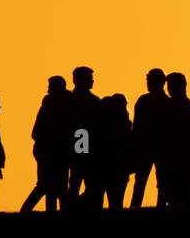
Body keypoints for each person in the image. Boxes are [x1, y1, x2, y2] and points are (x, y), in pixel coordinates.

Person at [21, 76, 72, 212]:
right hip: (54, 152)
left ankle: (27, 210)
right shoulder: (65, 104)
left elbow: (35, 133)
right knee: (53, 186)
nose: (48, 89)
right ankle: (26, 210)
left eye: (50, 86)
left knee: (50, 186)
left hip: (52, 151)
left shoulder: (49, 105)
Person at [130, 68, 171, 208]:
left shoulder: (144, 101)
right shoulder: (167, 102)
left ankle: (136, 207)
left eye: (149, 80)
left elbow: (136, 128)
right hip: (155, 148)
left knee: (144, 182)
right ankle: (158, 207)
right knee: (154, 182)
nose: (147, 83)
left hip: (149, 148)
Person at [162, 72, 190, 207]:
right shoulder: (188, 105)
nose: (168, 88)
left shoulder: (177, 105)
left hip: (178, 154)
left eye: (170, 85)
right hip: (178, 153)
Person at [66, 66, 100, 208]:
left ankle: (74, 207)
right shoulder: (90, 101)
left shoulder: (70, 100)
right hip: (83, 148)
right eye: (90, 78)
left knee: (81, 184)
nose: (92, 81)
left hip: (83, 147)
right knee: (80, 183)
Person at [94, 94, 133, 209]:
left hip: (103, 167)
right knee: (116, 202)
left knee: (99, 201)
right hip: (120, 168)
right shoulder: (127, 124)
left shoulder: (101, 124)